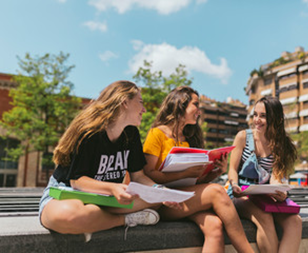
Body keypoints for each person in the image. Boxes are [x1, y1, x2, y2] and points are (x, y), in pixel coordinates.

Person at [39, 80, 179, 239]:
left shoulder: (131, 134)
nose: (144, 109)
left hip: (105, 200)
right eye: (140, 102)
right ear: (124, 102)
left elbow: (138, 176)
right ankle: (125, 220)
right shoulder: (89, 133)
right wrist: (113, 188)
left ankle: (98, 218)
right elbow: (77, 181)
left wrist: (161, 191)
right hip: (68, 194)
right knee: (70, 216)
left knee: (155, 200)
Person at [143, 86, 255, 253]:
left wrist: (216, 172)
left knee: (215, 226)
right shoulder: (156, 134)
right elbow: (148, 174)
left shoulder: (189, 139)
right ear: (181, 104)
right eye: (196, 105)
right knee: (217, 191)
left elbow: (196, 182)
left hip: (187, 198)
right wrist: (184, 173)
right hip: (164, 202)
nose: (199, 111)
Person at [227, 96, 302, 253]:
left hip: (264, 196)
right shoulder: (243, 137)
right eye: (255, 115)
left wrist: (278, 192)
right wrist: (234, 185)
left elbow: (275, 176)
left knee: (295, 221)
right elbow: (232, 169)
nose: (257, 120)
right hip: (240, 194)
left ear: (275, 118)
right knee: (264, 217)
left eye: (263, 116)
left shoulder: (280, 144)